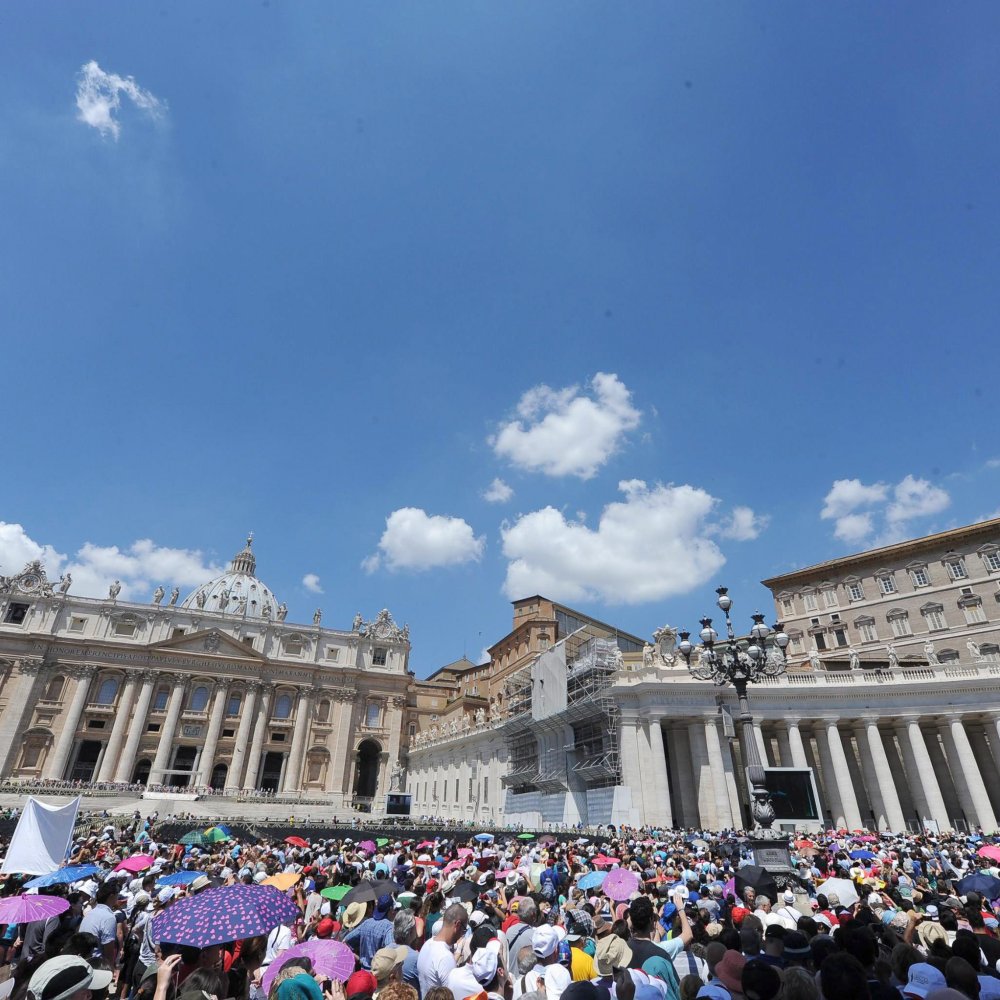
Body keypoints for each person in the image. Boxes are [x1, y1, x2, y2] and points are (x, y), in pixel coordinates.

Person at [417, 904, 468, 997]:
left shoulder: (427, 944)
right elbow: (451, 996)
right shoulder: (445, 957)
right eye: (463, 930)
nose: (462, 934)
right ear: (457, 925)